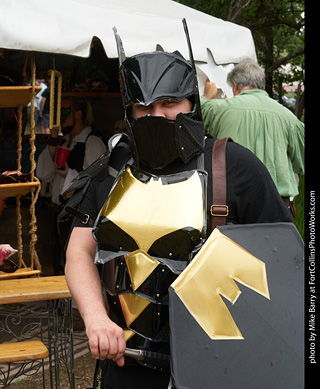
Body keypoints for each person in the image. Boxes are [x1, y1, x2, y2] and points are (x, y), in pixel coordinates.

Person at [64, 42, 293, 389]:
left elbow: (285, 264)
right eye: (144, 107)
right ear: (130, 111)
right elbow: (78, 250)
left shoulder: (235, 167)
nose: (157, 115)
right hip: (128, 362)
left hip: (219, 366)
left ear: (191, 103)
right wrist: (96, 317)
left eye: (169, 103)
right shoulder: (111, 170)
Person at [200, 58, 304, 211]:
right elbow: (301, 164)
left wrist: (207, 95)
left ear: (235, 86)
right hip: (278, 206)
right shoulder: (290, 119)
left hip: (229, 205)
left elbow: (192, 110)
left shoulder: (218, 110)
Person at [36, 97, 106, 274]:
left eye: (64, 113)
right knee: (59, 266)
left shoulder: (92, 143)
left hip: (80, 219)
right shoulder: (63, 141)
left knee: (79, 268)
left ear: (78, 114)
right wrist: (53, 138)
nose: (60, 118)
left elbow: (97, 183)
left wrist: (69, 174)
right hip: (60, 214)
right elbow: (43, 174)